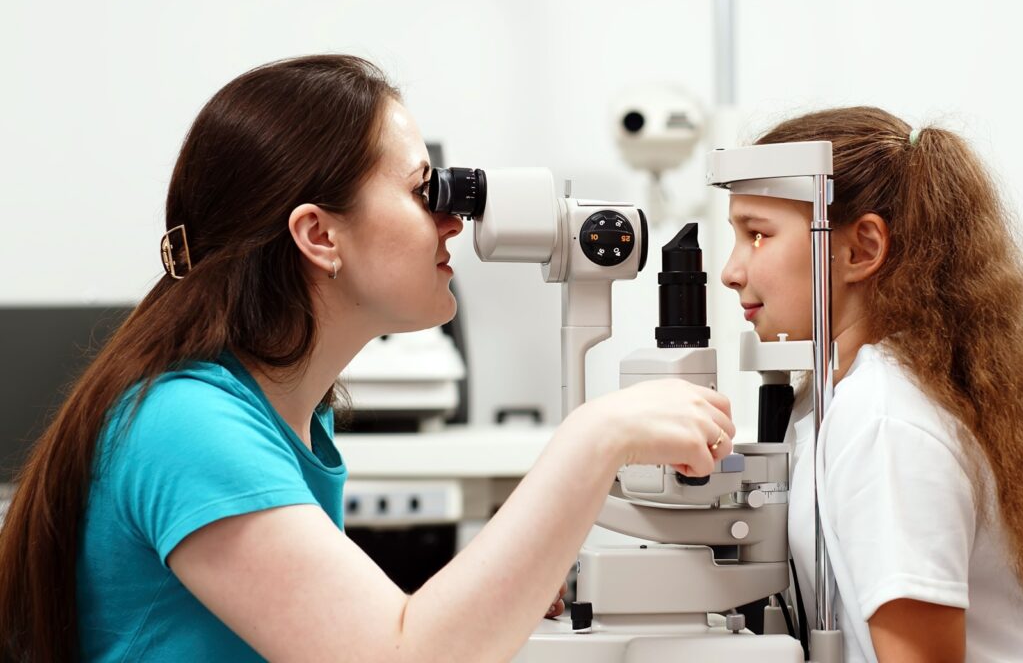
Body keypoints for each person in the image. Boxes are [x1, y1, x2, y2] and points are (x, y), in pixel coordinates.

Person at [0, 55, 735, 662]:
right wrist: (594, 438)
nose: (454, 218)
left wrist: (504, 582)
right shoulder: (187, 422)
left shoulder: (286, 415)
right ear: (320, 236)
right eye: (425, 190)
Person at [720, 106, 1023, 662]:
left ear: (860, 250)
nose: (731, 270)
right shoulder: (845, 394)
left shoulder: (884, 419)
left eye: (757, 236)